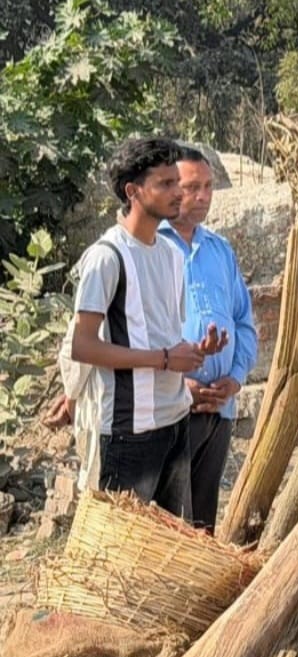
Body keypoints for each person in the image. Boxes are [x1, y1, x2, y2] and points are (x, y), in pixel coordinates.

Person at [67, 136, 226, 521]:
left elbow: (161, 335)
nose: (179, 193)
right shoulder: (106, 258)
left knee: (167, 553)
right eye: (165, 184)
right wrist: (166, 358)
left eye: (178, 182)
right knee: (119, 558)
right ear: (133, 191)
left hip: (174, 420)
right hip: (128, 431)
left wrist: (196, 350)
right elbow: (82, 346)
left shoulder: (172, 255)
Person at [158, 145, 257, 532]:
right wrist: (179, 383)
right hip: (171, 407)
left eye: (209, 187)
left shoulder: (220, 250)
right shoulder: (152, 248)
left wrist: (234, 379)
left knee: (203, 524)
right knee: (167, 523)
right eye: (191, 187)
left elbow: (243, 323)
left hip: (220, 407)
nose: (202, 197)